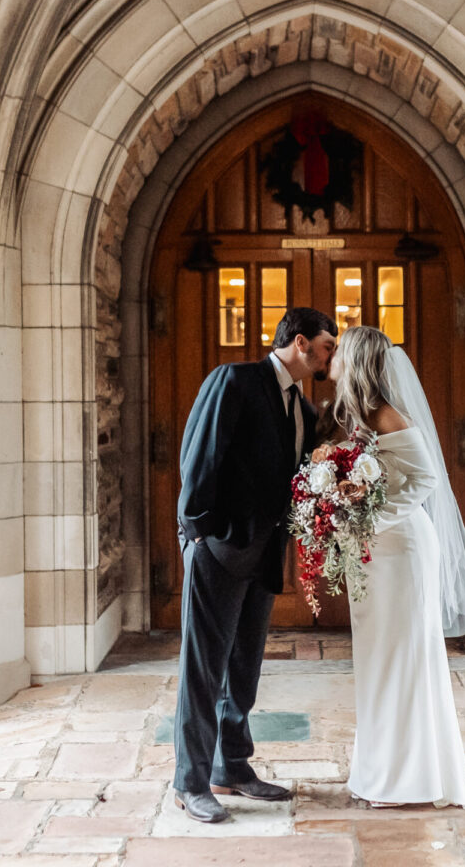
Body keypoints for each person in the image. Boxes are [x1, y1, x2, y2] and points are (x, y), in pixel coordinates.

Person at [172, 306, 337, 823]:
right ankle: (191, 781)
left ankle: (233, 767)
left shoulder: (306, 410)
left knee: (242, 668)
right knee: (203, 670)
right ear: (302, 342)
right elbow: (200, 454)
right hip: (218, 549)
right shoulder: (235, 380)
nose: (331, 355)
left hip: (266, 554)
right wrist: (198, 532)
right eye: (328, 345)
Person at [327, 325, 465, 809]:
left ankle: (410, 779)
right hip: (378, 551)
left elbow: (425, 481)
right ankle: (381, 771)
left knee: (404, 658)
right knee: (379, 660)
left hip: (404, 551)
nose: (330, 358)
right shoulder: (360, 417)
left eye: (338, 352)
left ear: (355, 361)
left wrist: (368, 521)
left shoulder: (390, 416)